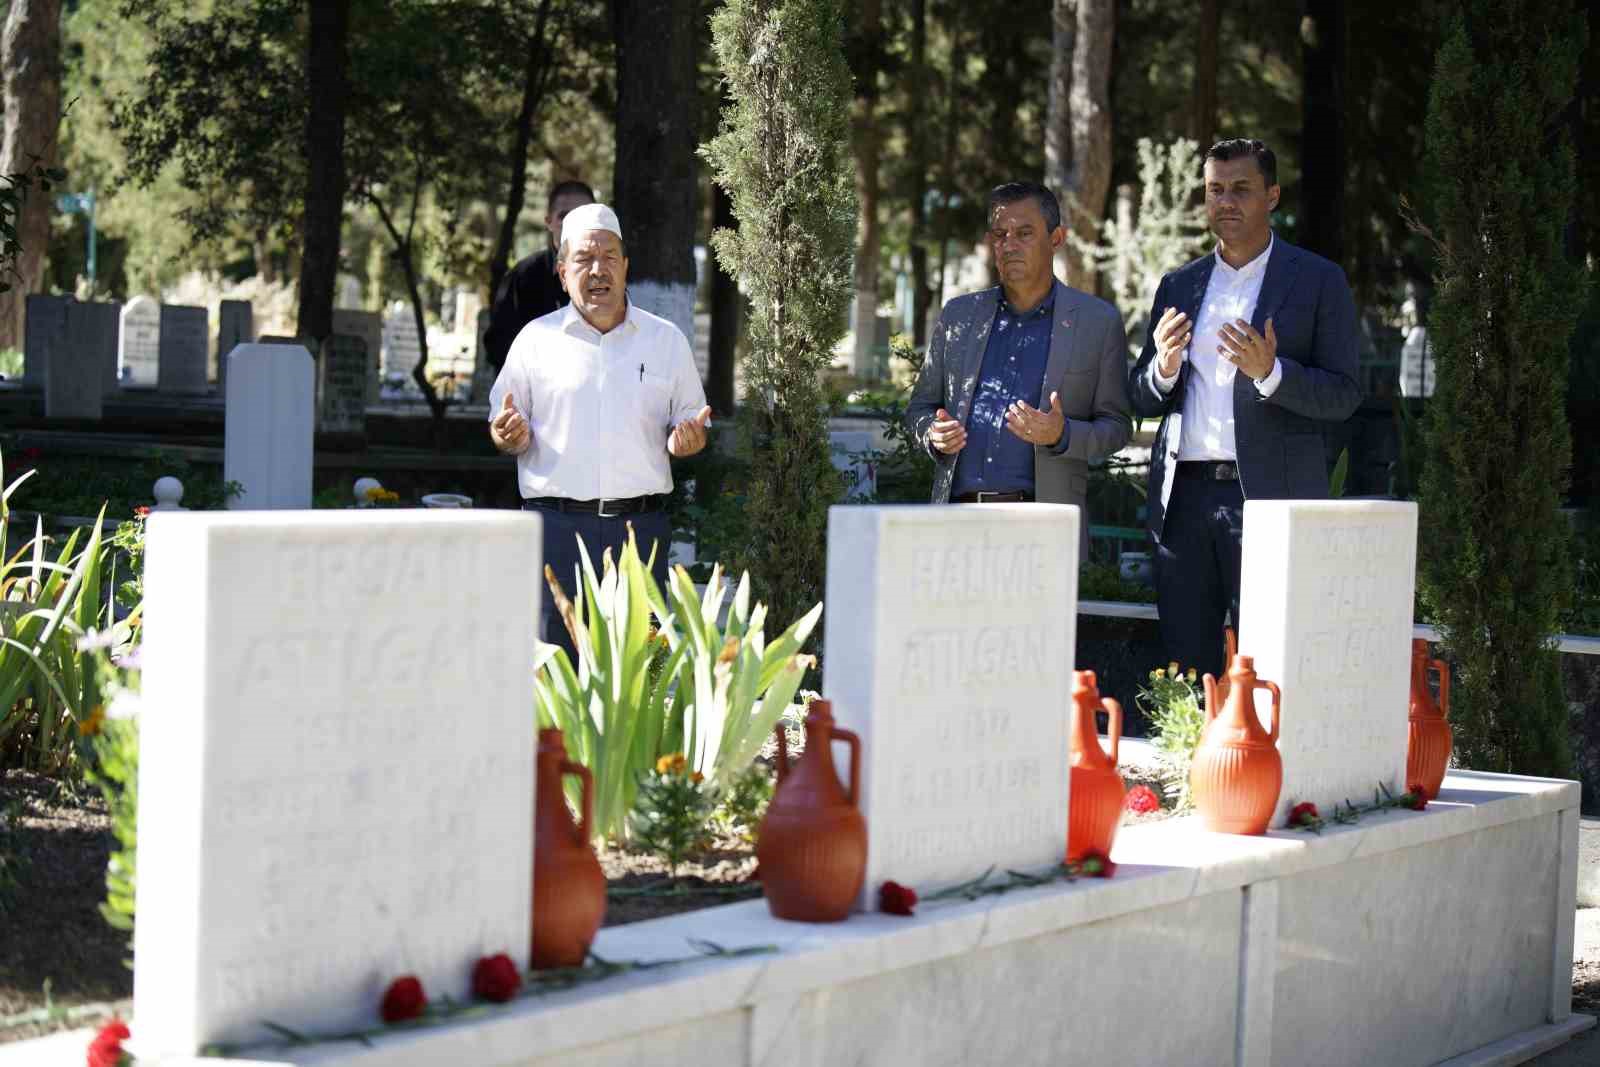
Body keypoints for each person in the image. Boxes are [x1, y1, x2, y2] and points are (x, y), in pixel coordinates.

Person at [1127, 138, 1362, 680]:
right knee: (1187, 665)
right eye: (1215, 190)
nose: (1225, 202)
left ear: (1272, 195)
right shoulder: (1178, 285)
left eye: (1240, 189)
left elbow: (1345, 393)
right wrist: (1163, 367)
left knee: (1272, 660)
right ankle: (1194, 761)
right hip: (1182, 500)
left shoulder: (1318, 280)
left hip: (1267, 498)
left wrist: (1271, 374)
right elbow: (1139, 395)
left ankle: (1273, 763)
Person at [487, 203, 710, 661]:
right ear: (563, 271)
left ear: (626, 267)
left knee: (638, 673)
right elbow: (504, 426)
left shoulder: (665, 341)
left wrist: (686, 440)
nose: (598, 269)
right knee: (554, 669)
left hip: (639, 533)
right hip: (556, 529)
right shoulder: (535, 341)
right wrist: (509, 436)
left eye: (609, 256)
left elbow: (691, 421)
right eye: (584, 259)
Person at [904, 181, 1133, 558]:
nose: (1009, 244)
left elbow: (1118, 427)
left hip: (1045, 527)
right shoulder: (959, 316)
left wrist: (1062, 433)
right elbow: (919, 409)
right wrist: (932, 433)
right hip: (957, 525)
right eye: (1000, 234)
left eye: (1024, 233)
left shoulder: (1098, 322)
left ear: (1056, 238)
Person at [483, 180, 596, 372]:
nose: (574, 223)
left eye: (582, 215)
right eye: (564, 216)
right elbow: (499, 350)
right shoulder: (523, 278)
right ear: (549, 222)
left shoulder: (617, 276)